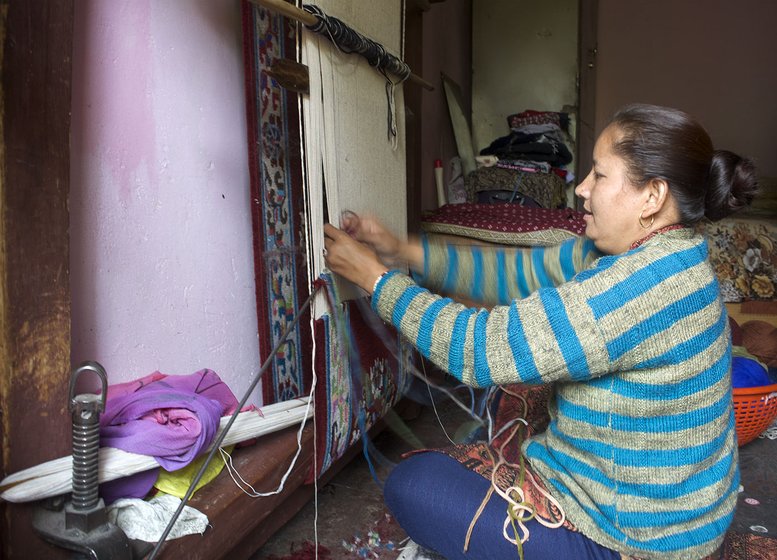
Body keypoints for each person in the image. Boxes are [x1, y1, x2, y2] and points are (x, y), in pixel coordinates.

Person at [322, 103, 759, 559]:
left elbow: (479, 348)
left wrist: (376, 281)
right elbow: (514, 272)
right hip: (678, 517)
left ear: (652, 196)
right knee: (521, 387)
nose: (582, 189)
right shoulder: (666, 252)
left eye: (600, 175)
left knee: (415, 488)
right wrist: (399, 251)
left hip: (640, 543)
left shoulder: (638, 288)